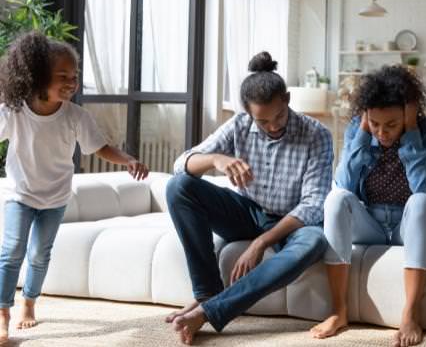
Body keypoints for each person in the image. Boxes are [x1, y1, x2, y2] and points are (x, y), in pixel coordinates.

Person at [165, 51, 333, 345]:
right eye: (262, 121)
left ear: (288, 99)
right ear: (248, 113)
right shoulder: (239, 125)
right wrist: (216, 159)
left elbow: (314, 204)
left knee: (315, 240)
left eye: (278, 116)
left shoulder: (316, 134)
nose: (273, 126)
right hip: (246, 213)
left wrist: (261, 243)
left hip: (291, 222)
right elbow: (181, 165)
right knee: (179, 187)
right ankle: (206, 291)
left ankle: (210, 310)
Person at [0, 31, 149, 342]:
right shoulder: (14, 112)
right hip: (20, 194)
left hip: (55, 198)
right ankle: (2, 312)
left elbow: (100, 147)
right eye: (62, 75)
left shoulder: (76, 116)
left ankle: (29, 301)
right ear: (39, 77)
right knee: (12, 251)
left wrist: (127, 160)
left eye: (75, 75)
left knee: (40, 254)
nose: (71, 81)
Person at [310, 65, 426, 347]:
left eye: (392, 125)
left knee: (421, 201)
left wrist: (410, 132)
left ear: (409, 114)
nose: (382, 133)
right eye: (375, 123)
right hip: (370, 224)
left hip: (404, 227)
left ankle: (410, 314)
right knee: (336, 197)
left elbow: (422, 186)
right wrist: (363, 132)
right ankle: (339, 312)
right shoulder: (358, 129)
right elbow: (345, 183)